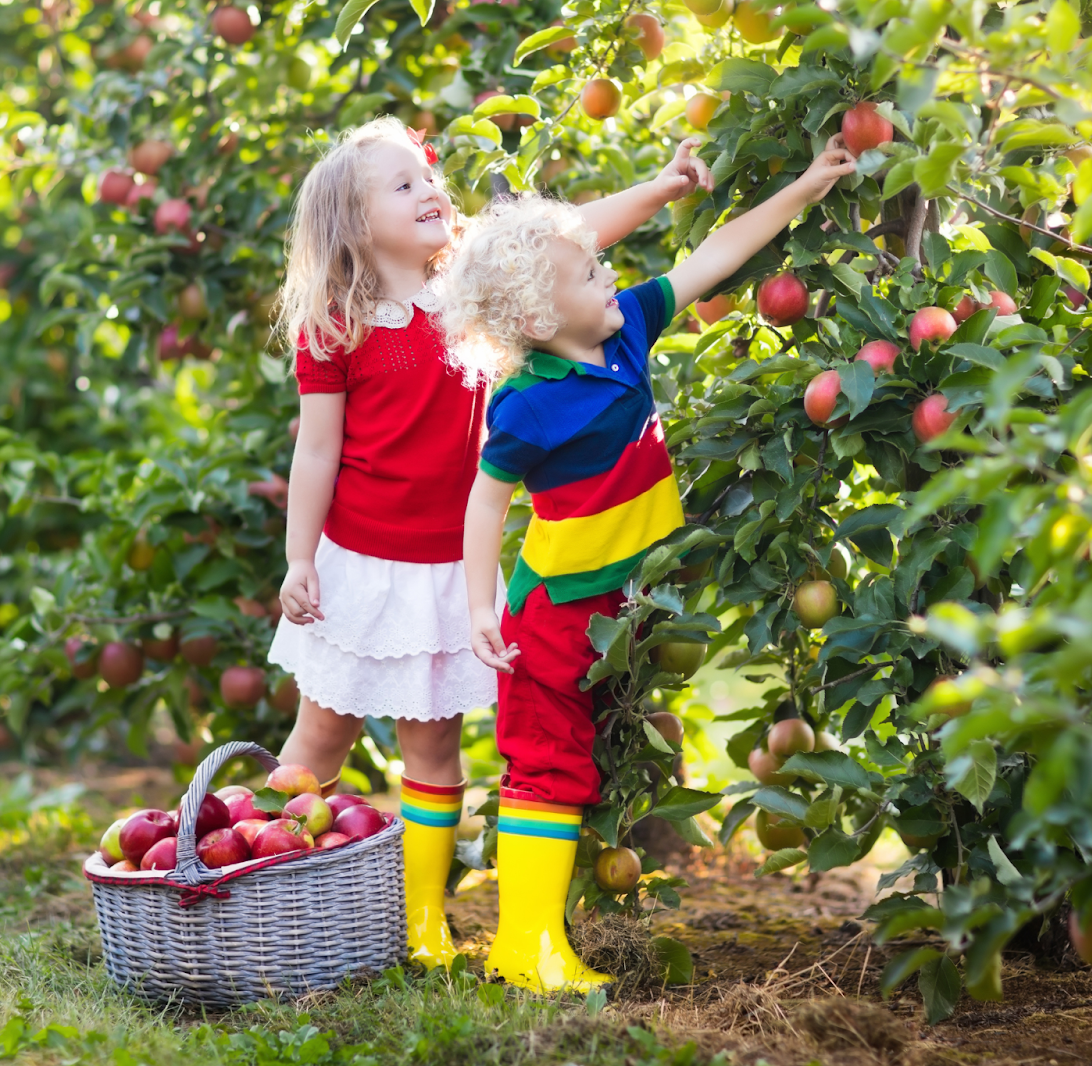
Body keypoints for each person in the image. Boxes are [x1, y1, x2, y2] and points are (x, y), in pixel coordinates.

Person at [267, 116, 712, 970]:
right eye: (402, 186)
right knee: (322, 731)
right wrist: (299, 559)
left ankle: (421, 919)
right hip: (360, 562)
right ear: (354, 224)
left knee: (433, 748)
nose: (431, 191)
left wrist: (660, 188)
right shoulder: (337, 324)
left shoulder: (468, 279)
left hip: (447, 565)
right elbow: (315, 449)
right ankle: (263, 874)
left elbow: (570, 238)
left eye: (427, 176)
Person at [440, 135, 859, 992]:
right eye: (588, 272)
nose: (608, 276)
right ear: (533, 320)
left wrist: (806, 188)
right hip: (554, 611)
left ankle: (539, 939)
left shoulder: (628, 330)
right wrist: (480, 608)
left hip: (623, 608)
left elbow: (717, 252)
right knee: (546, 766)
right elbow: (487, 503)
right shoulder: (525, 406)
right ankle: (525, 947)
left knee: (585, 760)